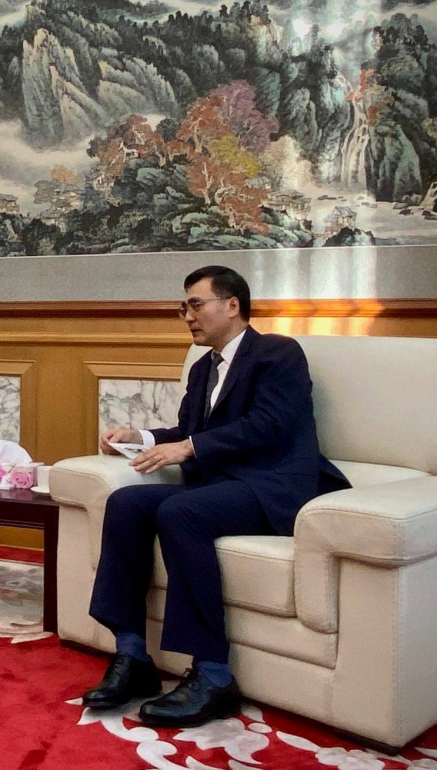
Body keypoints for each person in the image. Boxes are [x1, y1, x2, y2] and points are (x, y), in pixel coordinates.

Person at [84, 265, 349, 726]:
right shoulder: (203, 367)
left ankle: (213, 674)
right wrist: (139, 438)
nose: (187, 316)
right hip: (219, 487)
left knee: (181, 511)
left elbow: (268, 425)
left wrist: (189, 447)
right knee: (126, 502)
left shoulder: (278, 353)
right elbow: (187, 431)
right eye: (183, 307)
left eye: (195, 304)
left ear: (232, 305)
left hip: (271, 487)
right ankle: (133, 656)